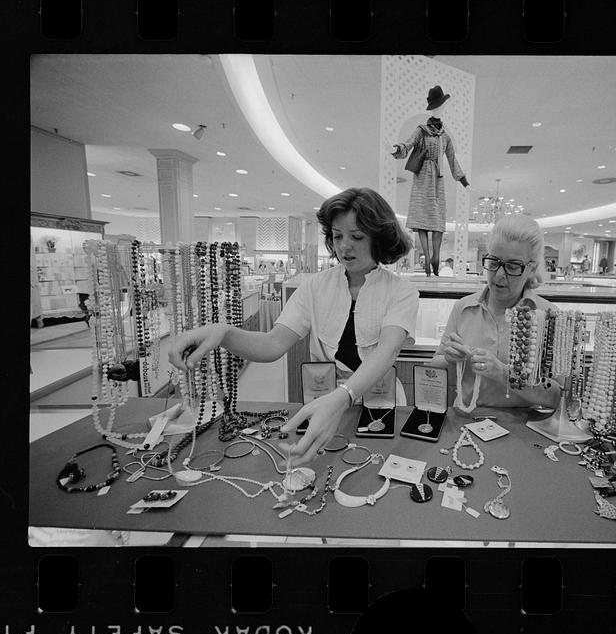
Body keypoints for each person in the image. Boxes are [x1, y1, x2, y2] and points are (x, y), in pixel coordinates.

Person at [168, 187, 419, 465]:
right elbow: (272, 344)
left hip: (380, 403)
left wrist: (343, 396)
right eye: (338, 236)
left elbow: (386, 352)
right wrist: (223, 332)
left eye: (357, 237)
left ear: (379, 238)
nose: (344, 246)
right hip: (323, 402)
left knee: (374, 469)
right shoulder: (316, 287)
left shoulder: (401, 291)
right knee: (322, 469)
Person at [431, 215, 562, 409]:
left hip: (524, 424)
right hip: (467, 418)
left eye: (512, 266)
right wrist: (449, 359)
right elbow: (435, 365)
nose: (499, 275)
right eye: (493, 262)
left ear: (531, 268)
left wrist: (503, 373)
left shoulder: (548, 315)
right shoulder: (464, 307)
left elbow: (556, 395)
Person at [392, 85, 469, 277]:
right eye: (439, 106)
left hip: (438, 178)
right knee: (422, 220)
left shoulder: (445, 136)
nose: (442, 109)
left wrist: (464, 181)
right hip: (422, 177)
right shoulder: (421, 130)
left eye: (443, 106)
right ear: (433, 108)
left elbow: (452, 160)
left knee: (438, 221)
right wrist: (398, 149)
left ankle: (435, 256)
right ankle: (427, 257)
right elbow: (408, 144)